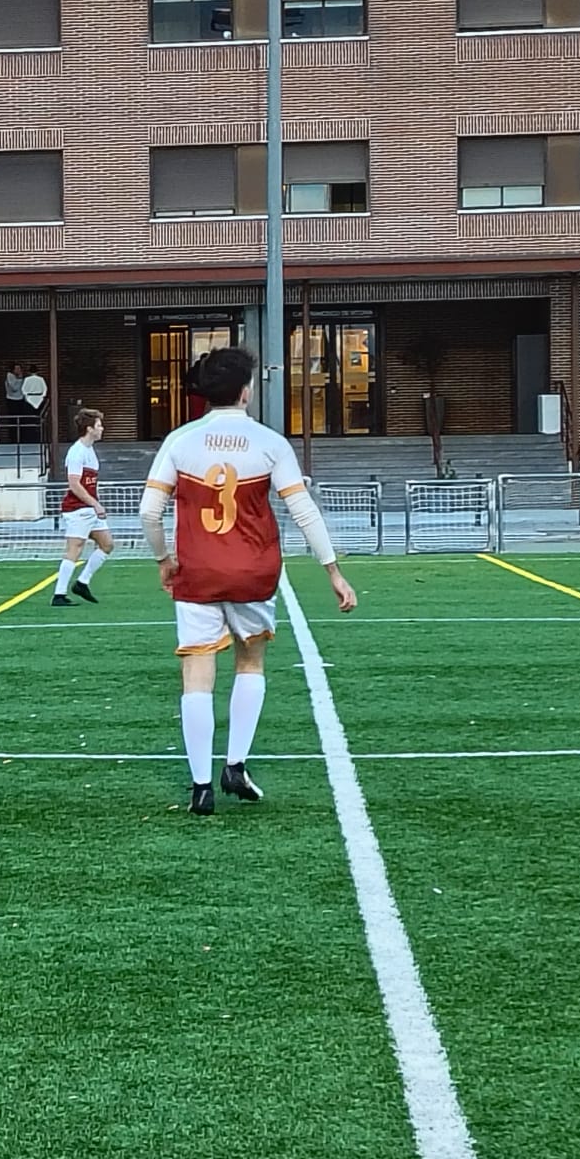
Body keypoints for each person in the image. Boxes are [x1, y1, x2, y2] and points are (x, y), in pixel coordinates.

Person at [138, 347, 356, 816]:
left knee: (197, 674)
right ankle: (235, 765)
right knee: (250, 663)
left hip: (197, 572)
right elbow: (303, 511)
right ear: (245, 391)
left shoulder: (180, 440)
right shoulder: (269, 442)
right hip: (255, 571)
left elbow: (148, 512)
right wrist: (333, 571)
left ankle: (201, 787)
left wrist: (163, 559)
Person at [50, 407, 114, 607]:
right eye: (99, 425)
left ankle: (82, 582)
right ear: (89, 429)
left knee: (107, 544)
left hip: (88, 508)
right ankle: (59, 594)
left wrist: (94, 504)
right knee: (74, 548)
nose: (102, 429)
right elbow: (74, 484)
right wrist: (95, 503)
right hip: (78, 508)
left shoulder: (89, 450)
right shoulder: (77, 452)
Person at [3, 362, 25, 442]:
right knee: (13, 419)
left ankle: (21, 437)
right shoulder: (10, 376)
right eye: (17, 368)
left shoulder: (18, 377)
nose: (19, 370)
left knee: (21, 419)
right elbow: (14, 388)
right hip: (12, 400)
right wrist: (20, 379)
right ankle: (13, 438)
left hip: (20, 399)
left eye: (20, 368)